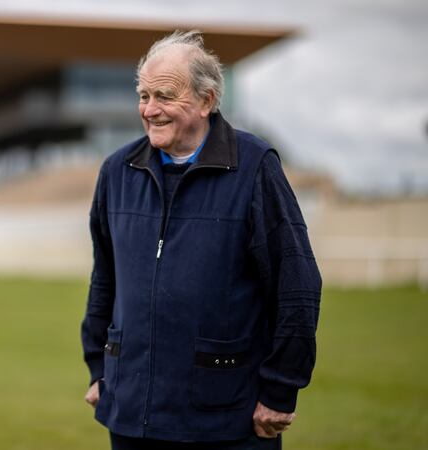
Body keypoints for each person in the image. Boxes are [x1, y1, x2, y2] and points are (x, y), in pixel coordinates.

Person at [81, 30, 321, 449]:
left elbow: (296, 283)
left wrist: (280, 390)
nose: (150, 110)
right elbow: (105, 279)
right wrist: (99, 368)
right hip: (131, 415)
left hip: (225, 418)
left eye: (165, 96)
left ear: (207, 100)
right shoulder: (116, 172)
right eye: (144, 95)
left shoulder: (254, 167)